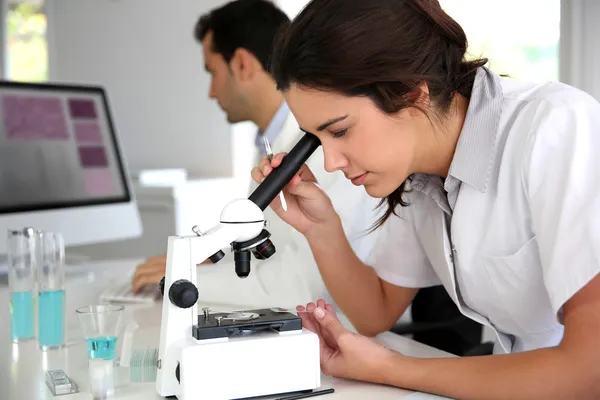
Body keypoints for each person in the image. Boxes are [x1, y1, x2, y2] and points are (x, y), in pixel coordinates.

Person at [252, 0, 600, 398]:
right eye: (317, 139)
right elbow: (376, 311)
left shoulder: (556, 128)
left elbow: (590, 369)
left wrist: (391, 368)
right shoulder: (420, 171)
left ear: (412, 95)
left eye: (341, 131)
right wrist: (320, 226)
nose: (330, 163)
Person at [130, 0, 381, 312]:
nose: (211, 91)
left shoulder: (327, 145)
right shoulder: (271, 142)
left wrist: (184, 277)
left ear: (242, 64)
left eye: (213, 72)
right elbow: (273, 252)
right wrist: (207, 259)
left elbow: (303, 284)